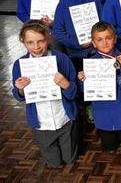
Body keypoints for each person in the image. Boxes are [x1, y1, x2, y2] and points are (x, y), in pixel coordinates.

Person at [12, 21, 79, 167]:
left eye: (40, 41)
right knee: (53, 163)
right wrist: (20, 89)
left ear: (47, 39)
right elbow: (18, 96)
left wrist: (65, 84)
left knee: (70, 159)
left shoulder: (62, 59)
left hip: (64, 117)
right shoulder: (19, 64)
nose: (36, 47)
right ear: (23, 42)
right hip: (41, 122)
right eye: (30, 42)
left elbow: (74, 93)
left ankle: (69, 154)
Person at [77, 21, 121, 152]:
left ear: (115, 39)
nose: (105, 42)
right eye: (99, 39)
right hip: (103, 116)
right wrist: (83, 80)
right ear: (93, 43)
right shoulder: (91, 64)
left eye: (108, 38)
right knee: (110, 147)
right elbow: (85, 92)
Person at [52, 0, 102, 71]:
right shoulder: (62, 5)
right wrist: (78, 44)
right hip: (75, 56)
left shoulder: (95, 1)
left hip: (98, 52)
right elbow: (57, 32)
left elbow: (103, 24)